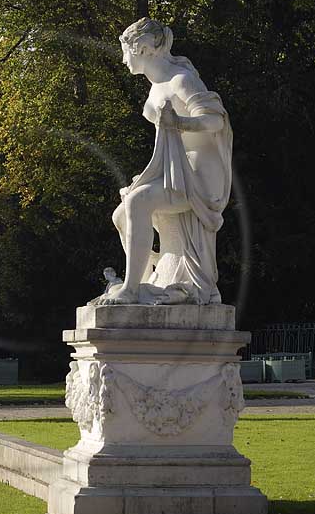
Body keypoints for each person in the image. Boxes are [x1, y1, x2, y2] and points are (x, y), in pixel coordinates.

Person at [99, 17, 234, 306]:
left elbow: (214, 120)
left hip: (199, 173)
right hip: (176, 169)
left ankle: (131, 290)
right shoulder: (155, 86)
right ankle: (145, 279)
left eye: (126, 51)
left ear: (144, 48)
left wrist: (180, 122)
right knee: (121, 214)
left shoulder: (181, 80)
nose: (123, 59)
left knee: (138, 202)